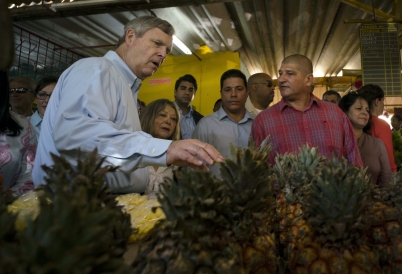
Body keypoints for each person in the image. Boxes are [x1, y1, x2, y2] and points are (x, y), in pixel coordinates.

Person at [32, 16, 223, 190]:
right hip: (75, 211)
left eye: (167, 51)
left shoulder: (126, 86)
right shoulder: (97, 70)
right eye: (157, 43)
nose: (163, 55)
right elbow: (77, 136)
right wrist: (164, 148)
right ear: (130, 37)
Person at [251, 54, 362, 166]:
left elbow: (353, 161)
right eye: (280, 73)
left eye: (289, 73)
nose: (281, 79)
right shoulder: (263, 121)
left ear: (308, 80)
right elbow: (257, 172)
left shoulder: (335, 114)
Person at [192, 69, 254, 177]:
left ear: (247, 92)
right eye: (227, 89)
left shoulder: (257, 123)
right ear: (221, 93)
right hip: (216, 192)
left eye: (239, 89)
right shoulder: (206, 125)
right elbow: (195, 166)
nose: (233, 94)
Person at [338, 92, 391, 186]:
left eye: (367, 110)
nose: (364, 112)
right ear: (344, 112)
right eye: (359, 108)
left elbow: (386, 178)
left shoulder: (377, 144)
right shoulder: (335, 141)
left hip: (373, 199)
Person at [0, 70, 37, 195]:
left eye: (20, 90)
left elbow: (28, 176)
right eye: (11, 90)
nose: (14, 94)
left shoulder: (24, 126)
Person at [138, 99, 179, 196]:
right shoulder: (134, 151)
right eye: (162, 115)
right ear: (149, 117)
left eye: (173, 119)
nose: (168, 121)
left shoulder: (177, 159)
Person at [357, 84, 397, 173]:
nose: (383, 105)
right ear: (377, 101)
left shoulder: (356, 123)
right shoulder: (382, 125)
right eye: (383, 101)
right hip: (378, 178)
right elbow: (388, 157)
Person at [173, 74, 203, 139]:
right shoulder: (162, 113)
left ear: (194, 94)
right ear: (175, 92)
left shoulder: (200, 119)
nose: (187, 92)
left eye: (191, 90)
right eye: (183, 88)